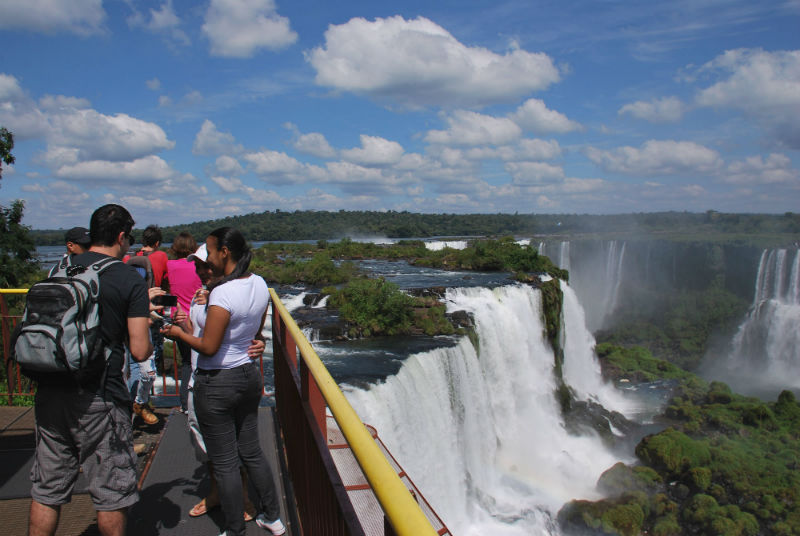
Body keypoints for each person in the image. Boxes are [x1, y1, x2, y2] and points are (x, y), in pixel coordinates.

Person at [29, 204, 154, 536]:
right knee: (111, 493)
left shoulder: (62, 268)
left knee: (46, 490)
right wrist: (147, 322)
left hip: (51, 388)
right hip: (100, 396)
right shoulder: (127, 278)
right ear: (122, 237)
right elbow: (139, 350)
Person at [163, 228, 285, 536]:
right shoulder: (259, 283)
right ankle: (273, 517)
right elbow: (253, 332)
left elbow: (208, 347)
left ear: (224, 252)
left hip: (217, 382)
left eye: (210, 250)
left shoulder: (222, 294)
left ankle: (234, 529)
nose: (207, 258)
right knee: (252, 452)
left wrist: (177, 334)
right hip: (247, 376)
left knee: (226, 462)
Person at [179, 243, 262, 522]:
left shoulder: (230, 296)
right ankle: (216, 493)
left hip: (224, 381)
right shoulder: (199, 297)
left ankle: (243, 498)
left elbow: (246, 334)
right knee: (206, 445)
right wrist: (184, 325)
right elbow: (197, 335)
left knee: (234, 444)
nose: (201, 271)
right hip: (199, 379)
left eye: (205, 265)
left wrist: (259, 343)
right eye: (197, 267)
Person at [166, 232, 202, 412]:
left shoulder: (170, 265)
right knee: (199, 360)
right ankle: (196, 402)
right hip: (196, 316)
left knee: (186, 361)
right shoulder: (197, 265)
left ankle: (185, 403)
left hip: (178, 317)